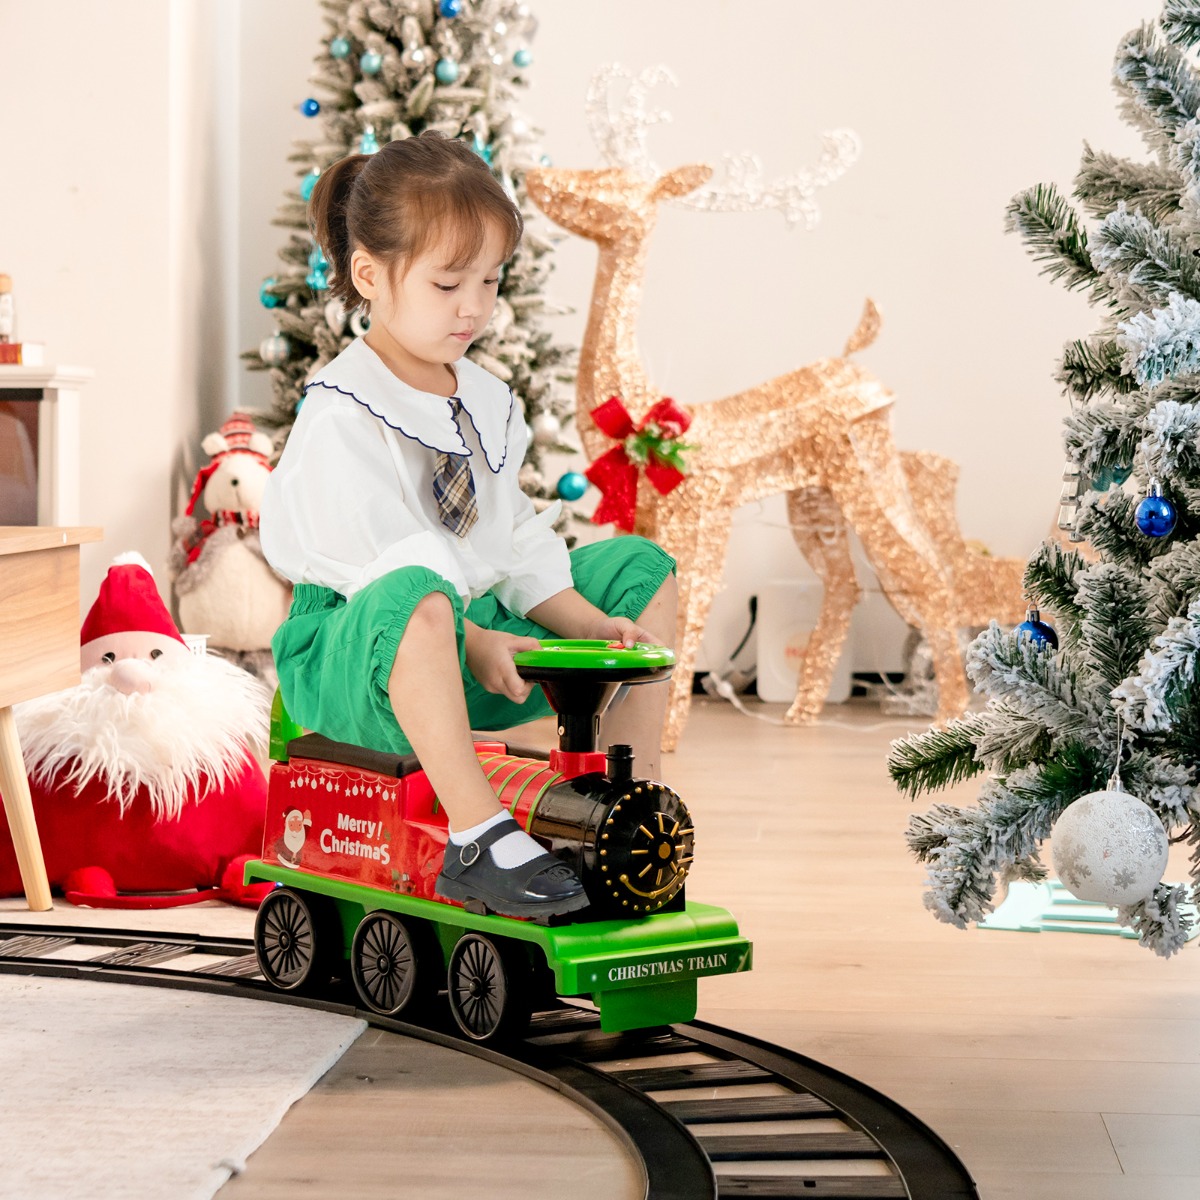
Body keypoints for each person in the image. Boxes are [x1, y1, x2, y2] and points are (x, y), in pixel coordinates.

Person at [260, 132, 677, 919]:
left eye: (489, 281)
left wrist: (584, 623)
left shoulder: (483, 399)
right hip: (361, 652)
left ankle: (629, 811)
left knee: (639, 568)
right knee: (417, 589)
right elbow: (380, 566)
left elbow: (512, 537)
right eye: (449, 283)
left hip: (475, 642)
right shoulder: (341, 410)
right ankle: (477, 836)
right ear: (370, 276)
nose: (475, 307)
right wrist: (472, 643)